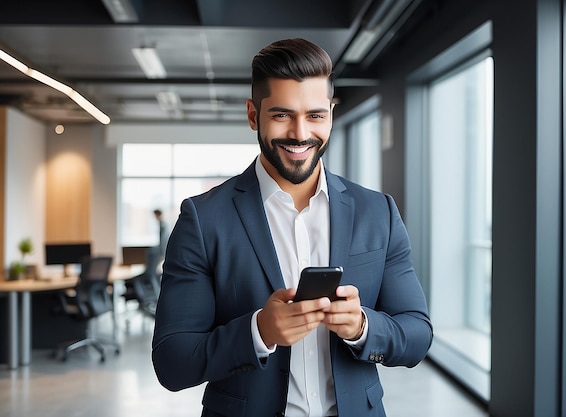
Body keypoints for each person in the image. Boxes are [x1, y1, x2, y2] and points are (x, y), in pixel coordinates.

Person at [151, 38, 433, 417]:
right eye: (282, 115)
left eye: (315, 115)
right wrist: (259, 331)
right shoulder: (203, 220)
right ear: (254, 115)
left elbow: (416, 335)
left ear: (331, 114)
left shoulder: (377, 212)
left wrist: (363, 326)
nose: (301, 133)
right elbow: (173, 361)